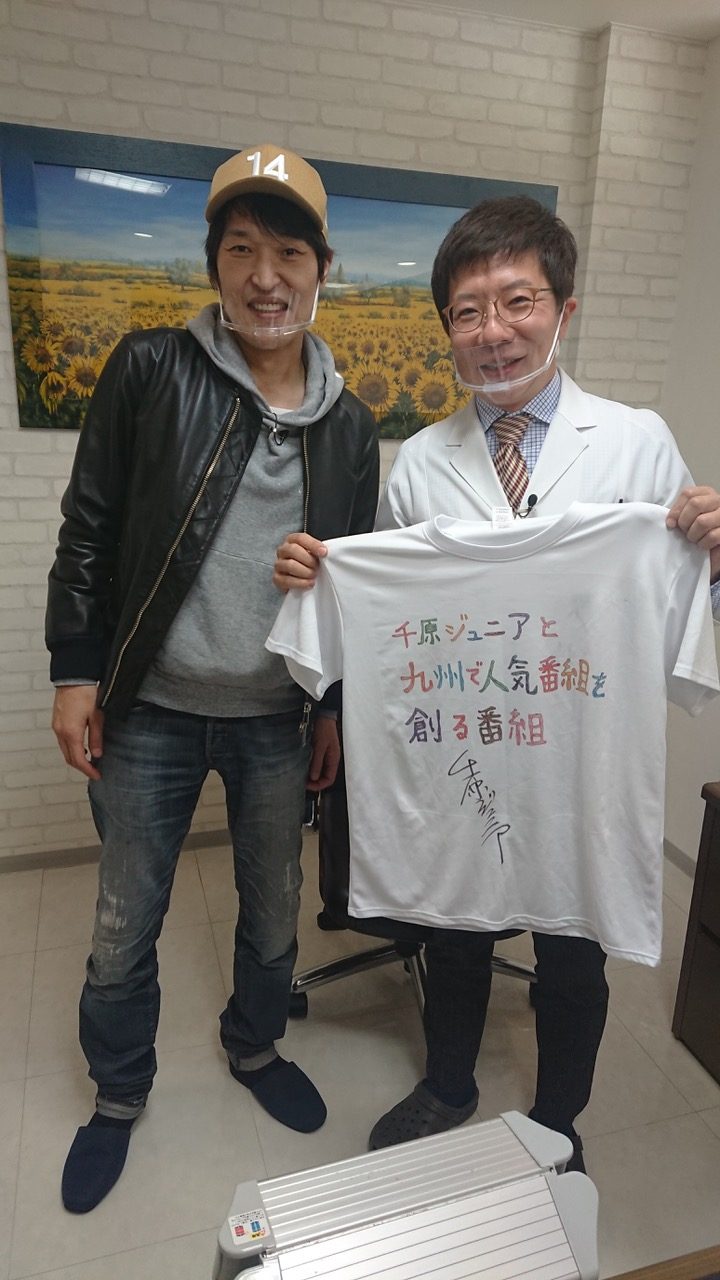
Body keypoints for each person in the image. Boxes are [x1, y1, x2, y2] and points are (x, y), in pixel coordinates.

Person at [272, 195, 720, 1171]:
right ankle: (448, 1082)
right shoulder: (421, 464)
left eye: (517, 301)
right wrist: (323, 578)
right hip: (463, 744)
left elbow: (684, 602)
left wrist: (715, 555)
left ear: (564, 310)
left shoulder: (637, 442)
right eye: (467, 312)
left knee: (573, 942)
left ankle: (558, 1118)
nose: (493, 331)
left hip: (581, 752)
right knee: (455, 925)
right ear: (447, 330)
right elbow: (389, 622)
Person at [46, 142, 379, 1214]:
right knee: (122, 920)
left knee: (274, 909)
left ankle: (255, 1044)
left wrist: (332, 706)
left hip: (275, 716)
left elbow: (352, 587)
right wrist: (74, 672)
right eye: (241, 250)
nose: (264, 277)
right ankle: (118, 1092)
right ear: (215, 264)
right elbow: (89, 528)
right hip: (150, 708)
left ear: (322, 269)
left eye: (288, 253)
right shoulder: (150, 370)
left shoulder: (351, 425)